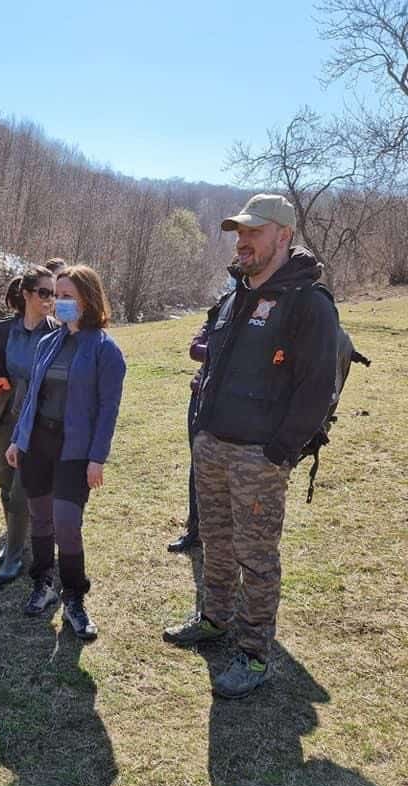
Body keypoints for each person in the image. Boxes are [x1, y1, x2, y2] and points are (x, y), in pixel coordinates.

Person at [163, 195, 338, 698]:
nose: (243, 241)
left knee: (256, 556)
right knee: (216, 541)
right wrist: (202, 432)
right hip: (212, 444)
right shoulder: (234, 294)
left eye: (254, 232)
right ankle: (215, 619)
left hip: (259, 456)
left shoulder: (309, 303)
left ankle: (254, 652)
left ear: (283, 236)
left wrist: (279, 452)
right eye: (239, 232)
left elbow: (317, 388)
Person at [6, 264, 126, 639]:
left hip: (74, 450)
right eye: (56, 295)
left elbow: (108, 409)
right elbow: (30, 400)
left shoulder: (106, 350)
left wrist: (97, 458)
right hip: (37, 444)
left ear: (88, 299)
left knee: (67, 525)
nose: (58, 303)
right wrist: (17, 440)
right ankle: (42, 584)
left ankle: (74, 597)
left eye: (67, 296)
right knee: (39, 518)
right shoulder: (48, 342)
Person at [0, 266, 58, 583]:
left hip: (39, 420)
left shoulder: (57, 333)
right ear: (27, 294)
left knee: (23, 492)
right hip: (4, 417)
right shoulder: (2, 330)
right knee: (6, 486)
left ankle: (13, 556)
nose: (50, 299)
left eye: (53, 293)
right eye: (44, 292)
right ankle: (16, 536)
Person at [167, 321, 208, 552]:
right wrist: (225, 349)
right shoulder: (221, 309)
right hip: (201, 395)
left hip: (235, 401)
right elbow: (195, 349)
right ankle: (196, 530)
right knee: (197, 463)